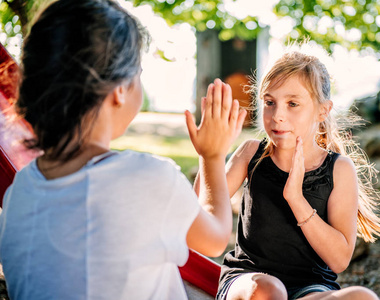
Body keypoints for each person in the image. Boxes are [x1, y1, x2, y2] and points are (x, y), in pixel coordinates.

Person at [0, 0, 246, 299]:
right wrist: (212, 155)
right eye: (138, 71)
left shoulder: (19, 191)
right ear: (119, 89)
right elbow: (216, 239)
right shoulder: (146, 178)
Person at [194, 49, 380, 300]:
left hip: (309, 288)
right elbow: (200, 213)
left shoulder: (339, 169)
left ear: (322, 111)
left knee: (363, 297)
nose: (277, 115)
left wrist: (296, 199)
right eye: (269, 102)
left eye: (292, 104)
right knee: (270, 290)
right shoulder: (251, 154)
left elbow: (340, 260)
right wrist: (209, 154)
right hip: (249, 281)